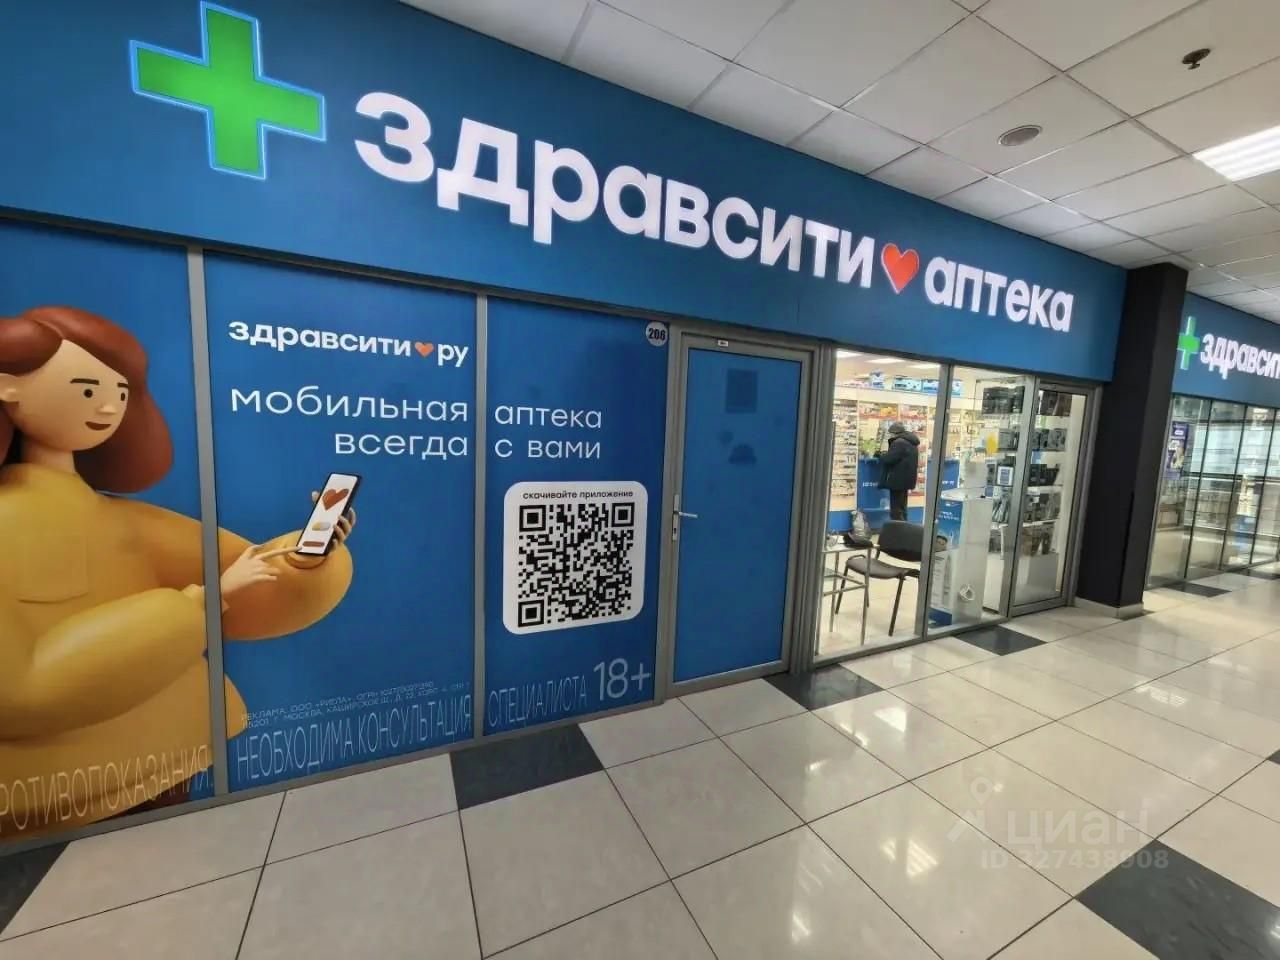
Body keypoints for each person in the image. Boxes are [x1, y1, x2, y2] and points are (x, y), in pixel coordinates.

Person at [0, 305, 355, 837]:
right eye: (87, 388)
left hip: (172, 756)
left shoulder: (126, 521)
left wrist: (306, 557)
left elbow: (251, 577)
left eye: (120, 393)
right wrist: (200, 604)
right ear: (7, 388)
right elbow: (21, 690)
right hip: (49, 790)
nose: (108, 407)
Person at [877, 421, 920, 521]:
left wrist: (881, 455)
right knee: (902, 506)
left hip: (897, 480)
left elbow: (890, 459)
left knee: (896, 508)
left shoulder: (899, 443)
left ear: (894, 432)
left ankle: (897, 527)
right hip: (906, 480)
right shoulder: (911, 442)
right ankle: (904, 526)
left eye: (891, 433)